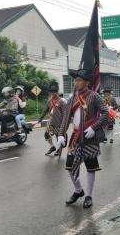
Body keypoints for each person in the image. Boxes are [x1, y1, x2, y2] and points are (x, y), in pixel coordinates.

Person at [57, 69, 108, 209]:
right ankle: (78, 190)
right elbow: (65, 118)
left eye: (79, 80)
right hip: (75, 137)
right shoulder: (72, 98)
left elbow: (105, 113)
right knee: (69, 166)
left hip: (90, 137)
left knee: (91, 168)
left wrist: (94, 128)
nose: (76, 82)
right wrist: (61, 134)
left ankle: (89, 195)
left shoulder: (94, 96)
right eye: (75, 80)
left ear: (86, 82)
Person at [39, 83, 67, 156]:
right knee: (46, 134)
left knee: (58, 136)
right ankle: (52, 147)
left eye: (54, 92)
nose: (52, 93)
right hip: (50, 121)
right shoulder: (49, 100)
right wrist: (40, 118)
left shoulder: (61, 101)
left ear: (56, 92)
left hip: (59, 122)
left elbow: (65, 114)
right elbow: (45, 110)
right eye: (51, 92)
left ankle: (58, 149)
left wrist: (64, 124)